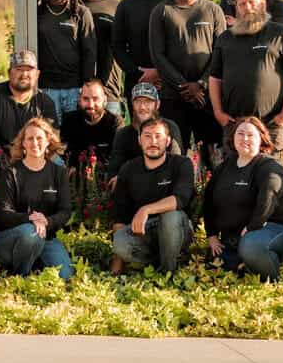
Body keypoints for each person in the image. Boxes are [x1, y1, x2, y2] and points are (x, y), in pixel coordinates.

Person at [209, 0, 283, 175]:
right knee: (236, 179)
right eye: (242, 4)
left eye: (252, 2)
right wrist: (219, 113)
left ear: (262, 4)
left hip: (272, 124)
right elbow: (214, 78)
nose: (247, 7)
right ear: (236, 8)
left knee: (276, 178)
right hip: (235, 125)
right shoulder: (225, 39)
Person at [203, 117, 283, 281]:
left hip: (282, 231)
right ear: (233, 138)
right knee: (216, 261)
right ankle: (247, 264)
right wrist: (212, 234)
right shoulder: (224, 168)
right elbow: (208, 201)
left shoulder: (271, 167)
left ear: (262, 140)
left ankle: (271, 281)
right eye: (240, 133)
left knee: (251, 245)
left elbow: (269, 197)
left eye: (251, 135)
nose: (244, 139)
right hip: (239, 235)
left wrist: (253, 226)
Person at [149, 0, 226, 166]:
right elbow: (158, 55)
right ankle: (177, 198)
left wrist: (200, 85)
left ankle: (212, 198)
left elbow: (220, 53)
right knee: (173, 155)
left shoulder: (213, 10)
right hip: (173, 97)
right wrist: (183, 86)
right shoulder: (161, 11)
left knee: (212, 156)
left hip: (207, 98)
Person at [110, 118, 195, 274]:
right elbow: (120, 216)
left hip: (177, 226)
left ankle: (168, 272)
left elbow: (180, 199)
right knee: (120, 240)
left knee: (170, 216)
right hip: (146, 232)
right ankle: (158, 262)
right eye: (147, 136)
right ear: (139, 140)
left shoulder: (182, 164)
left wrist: (146, 210)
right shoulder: (128, 169)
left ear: (168, 141)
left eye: (158, 136)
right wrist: (116, 268)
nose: (153, 141)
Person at [0, 117, 73, 279]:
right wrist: (30, 219)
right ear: (23, 143)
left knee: (66, 276)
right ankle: (20, 276)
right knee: (31, 233)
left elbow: (65, 211)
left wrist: (47, 221)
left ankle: (34, 262)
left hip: (45, 236)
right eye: (30, 138)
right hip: (11, 238)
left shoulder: (58, 173)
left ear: (48, 141)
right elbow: (3, 213)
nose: (35, 143)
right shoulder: (11, 173)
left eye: (39, 138)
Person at [36, 0, 98, 122]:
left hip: (74, 88)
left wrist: (86, 86)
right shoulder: (37, 13)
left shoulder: (81, 13)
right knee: (50, 138)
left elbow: (89, 52)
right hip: (46, 88)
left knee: (73, 139)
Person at [0, 50, 57, 165]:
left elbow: (51, 138)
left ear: (37, 74)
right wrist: (5, 161)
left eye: (29, 70)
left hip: (30, 165)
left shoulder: (45, 102)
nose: (24, 75)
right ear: (9, 73)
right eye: (19, 69)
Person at [112, 0, 176, 98]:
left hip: (171, 84)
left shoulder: (174, 0)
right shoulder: (125, 5)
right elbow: (117, 46)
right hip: (137, 82)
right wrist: (138, 72)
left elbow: (182, 43)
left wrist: (161, 71)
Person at [77, 0, 124, 116]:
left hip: (109, 93)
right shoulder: (70, 3)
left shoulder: (118, 7)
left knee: (112, 141)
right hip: (76, 91)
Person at [106, 83, 183, 181]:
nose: (142, 107)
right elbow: (113, 171)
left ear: (157, 104)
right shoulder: (123, 134)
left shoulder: (170, 128)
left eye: (148, 102)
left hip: (164, 183)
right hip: (132, 186)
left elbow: (177, 165)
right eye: (138, 101)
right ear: (132, 104)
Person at [59, 79, 120, 173]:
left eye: (95, 99)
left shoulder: (115, 123)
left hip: (104, 176)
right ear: (79, 100)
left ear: (105, 100)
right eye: (86, 99)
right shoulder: (69, 120)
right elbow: (61, 151)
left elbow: (119, 157)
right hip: (74, 175)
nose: (91, 105)